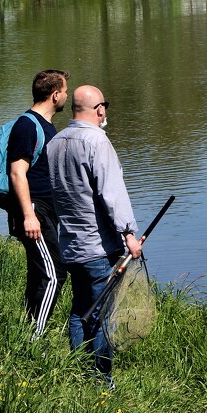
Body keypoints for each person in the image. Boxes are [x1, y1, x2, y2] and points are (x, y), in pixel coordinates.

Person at [47, 85, 141, 383]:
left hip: (71, 244)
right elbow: (112, 192)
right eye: (105, 105)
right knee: (101, 315)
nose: (105, 111)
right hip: (99, 247)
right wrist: (129, 233)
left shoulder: (56, 142)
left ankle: (78, 373)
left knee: (80, 312)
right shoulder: (97, 142)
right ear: (99, 109)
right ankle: (102, 381)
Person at [8, 69, 70, 341]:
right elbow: (16, 172)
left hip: (44, 211)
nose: (66, 95)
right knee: (54, 273)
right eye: (65, 90)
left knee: (39, 274)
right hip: (34, 211)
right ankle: (35, 340)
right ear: (55, 95)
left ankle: (27, 332)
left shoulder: (46, 126)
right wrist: (28, 215)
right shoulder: (27, 125)